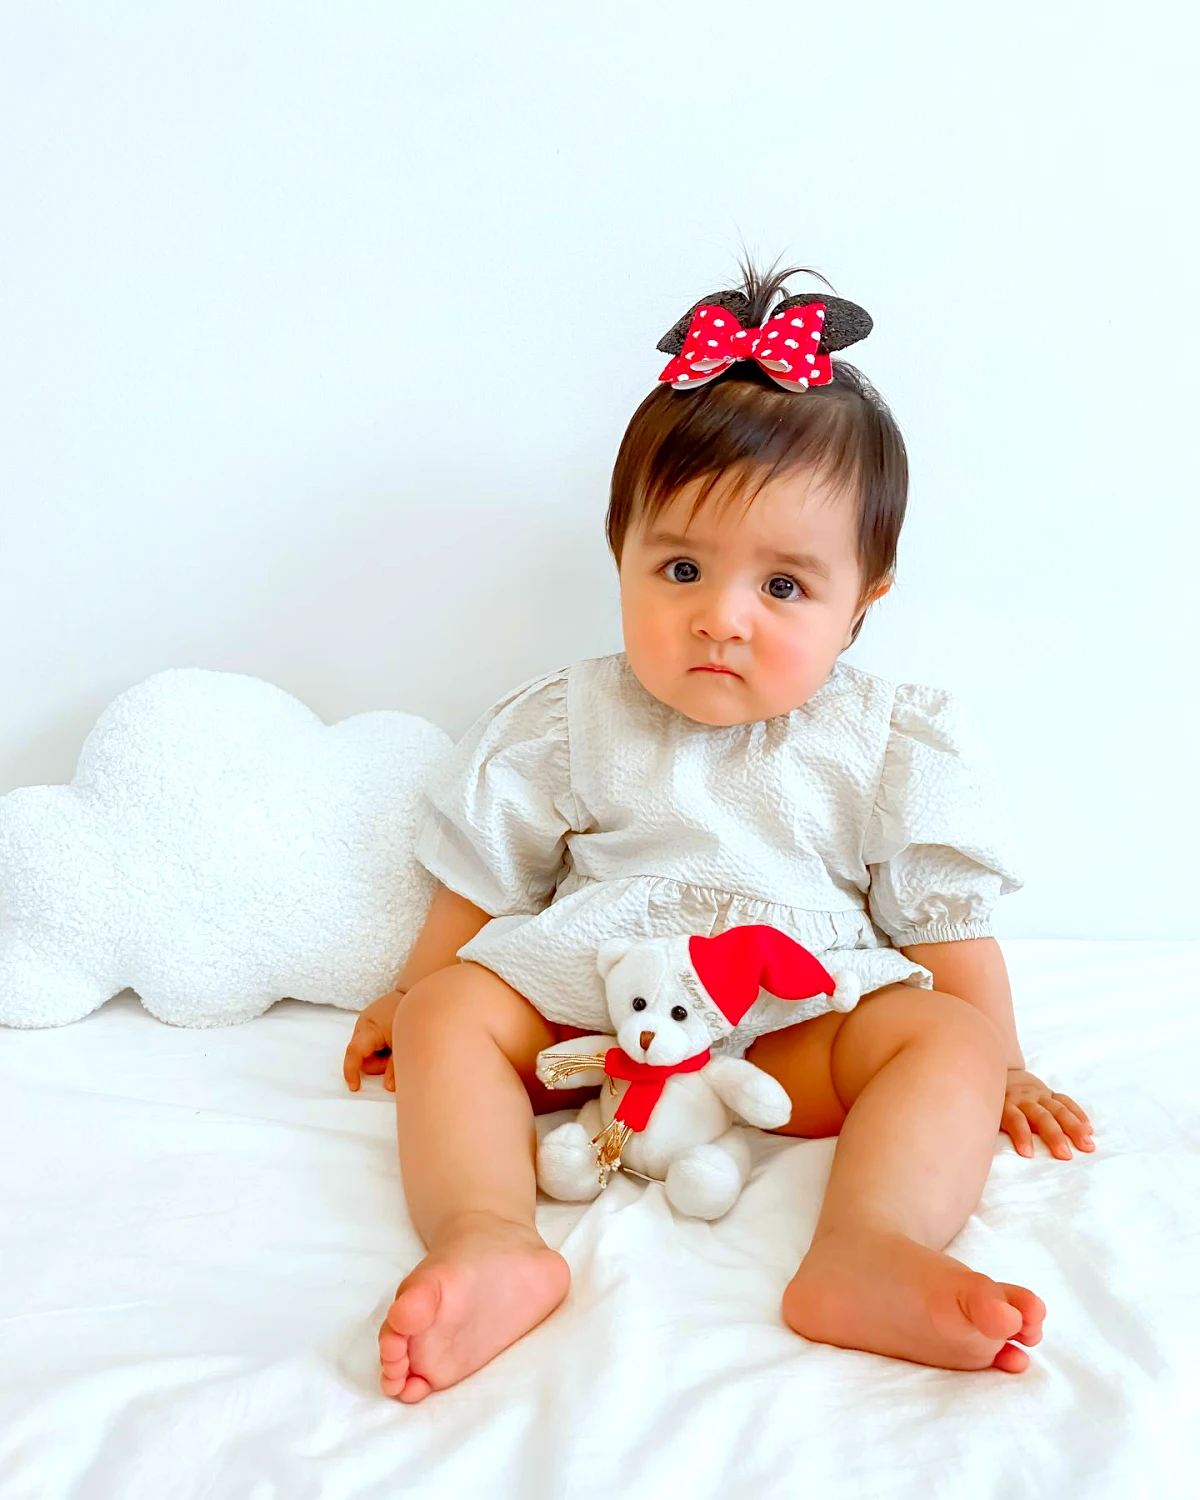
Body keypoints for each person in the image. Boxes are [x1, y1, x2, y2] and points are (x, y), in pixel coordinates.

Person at [343, 257, 1093, 1404]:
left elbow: (948, 926)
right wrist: (415, 988)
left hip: (792, 1020)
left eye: (785, 588)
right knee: (453, 1010)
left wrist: (1007, 1059)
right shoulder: (570, 715)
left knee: (946, 1041)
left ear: (863, 602)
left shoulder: (888, 739)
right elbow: (483, 872)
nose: (722, 618)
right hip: (594, 1003)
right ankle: (488, 1236)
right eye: (682, 567)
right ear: (623, 559)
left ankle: (869, 1247)